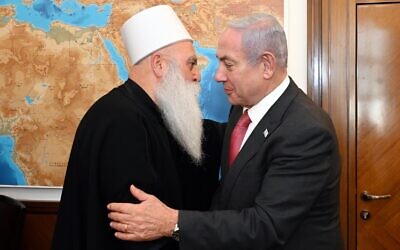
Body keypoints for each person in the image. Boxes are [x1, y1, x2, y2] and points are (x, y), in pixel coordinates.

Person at [107, 13, 344, 250]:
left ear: (266, 65)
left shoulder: (306, 131)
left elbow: (266, 226)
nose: (218, 75)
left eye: (228, 64)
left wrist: (172, 223)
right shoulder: (241, 110)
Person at [52, 5, 222, 250]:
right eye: (191, 64)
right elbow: (136, 234)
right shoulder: (121, 122)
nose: (197, 75)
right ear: (159, 65)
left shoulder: (149, 114)